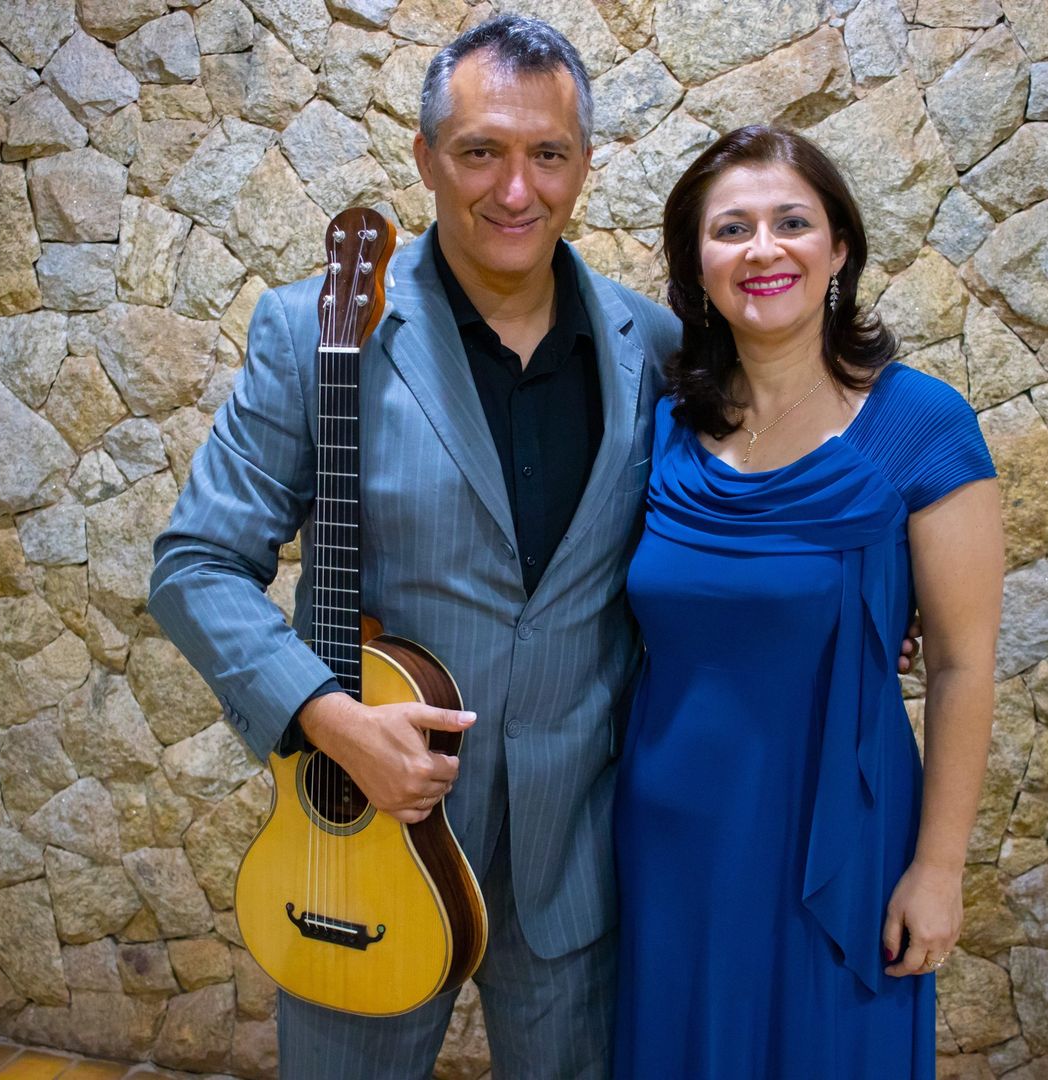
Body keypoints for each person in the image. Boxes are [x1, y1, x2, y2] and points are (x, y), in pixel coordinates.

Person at [148, 14, 681, 1078]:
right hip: (356, 859)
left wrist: (861, 610)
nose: (515, 190)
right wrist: (328, 720)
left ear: (586, 165)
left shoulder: (652, 348)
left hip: (572, 862)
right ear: (427, 157)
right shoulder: (316, 333)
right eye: (481, 151)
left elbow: (724, 534)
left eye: (548, 154)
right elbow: (195, 565)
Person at [612, 125, 1003, 1078]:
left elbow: (960, 663)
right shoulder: (663, 425)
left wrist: (939, 869)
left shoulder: (924, 425)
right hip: (671, 841)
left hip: (840, 841)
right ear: (696, 265)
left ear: (839, 248)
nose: (762, 249)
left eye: (792, 222)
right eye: (730, 229)